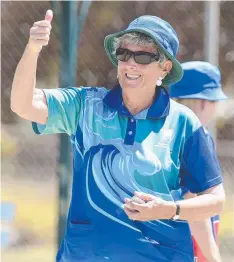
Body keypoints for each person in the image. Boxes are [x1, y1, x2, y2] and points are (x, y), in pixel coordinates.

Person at [11, 10, 225, 262]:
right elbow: (22, 105)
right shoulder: (85, 105)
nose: (130, 63)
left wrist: (168, 209)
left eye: (143, 56)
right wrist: (33, 49)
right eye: (124, 54)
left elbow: (215, 201)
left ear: (164, 68)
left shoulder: (184, 123)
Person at [169, 61, 228, 262]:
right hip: (189, 247)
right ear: (203, 102)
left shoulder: (159, 133)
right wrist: (213, 258)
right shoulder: (196, 135)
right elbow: (194, 202)